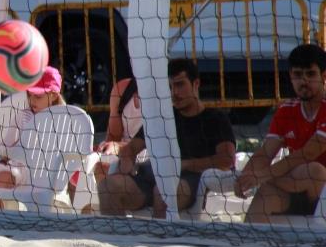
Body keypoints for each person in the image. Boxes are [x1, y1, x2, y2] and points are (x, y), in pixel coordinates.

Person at [98, 59, 235, 218]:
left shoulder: (215, 119)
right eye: (169, 87)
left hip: (192, 181)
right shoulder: (162, 117)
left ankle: (159, 241)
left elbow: (226, 160)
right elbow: (130, 149)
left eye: (180, 84)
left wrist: (184, 165)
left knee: (163, 192)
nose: (174, 92)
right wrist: (127, 163)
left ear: (196, 84)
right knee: (107, 187)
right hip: (151, 177)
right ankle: (119, 239)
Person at [236, 44, 326, 223]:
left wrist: (260, 176)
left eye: (310, 74)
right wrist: (245, 177)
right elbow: (265, 152)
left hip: (320, 188)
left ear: (324, 76)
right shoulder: (286, 110)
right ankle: (247, 245)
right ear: (291, 77)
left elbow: (308, 154)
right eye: (298, 74)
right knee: (266, 193)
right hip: (295, 187)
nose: (304, 81)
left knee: (313, 170)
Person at [0, 66, 65, 209]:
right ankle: (1, 217)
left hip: (50, 172)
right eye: (29, 95)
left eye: (38, 96)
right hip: (21, 168)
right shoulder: (23, 116)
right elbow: (7, 146)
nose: (32, 100)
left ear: (54, 95)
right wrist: (7, 156)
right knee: (1, 179)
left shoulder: (64, 118)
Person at [94, 77, 143, 183]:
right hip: (124, 155)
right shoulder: (122, 89)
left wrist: (117, 147)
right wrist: (109, 147)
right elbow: (113, 137)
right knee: (99, 166)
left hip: (151, 158)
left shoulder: (169, 92)